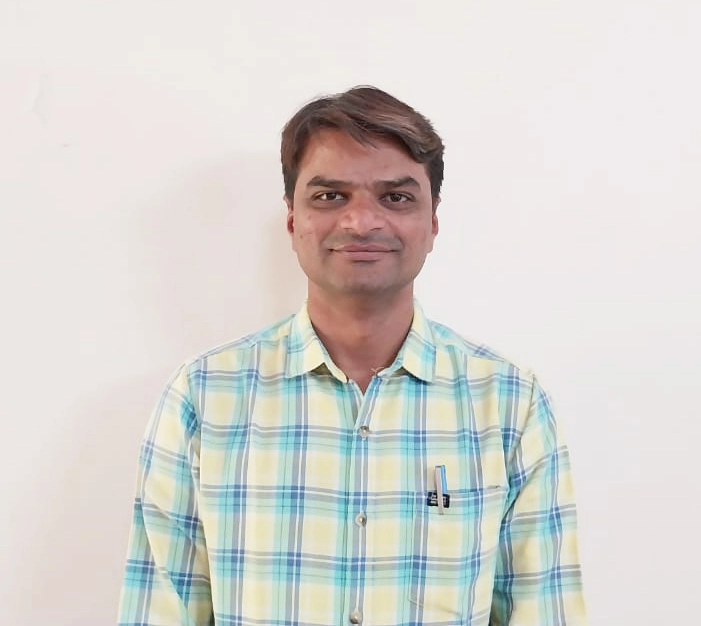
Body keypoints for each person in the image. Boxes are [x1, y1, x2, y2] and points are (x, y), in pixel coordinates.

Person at [117, 86, 587, 625]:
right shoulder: (203, 398)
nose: (362, 222)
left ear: (433, 222)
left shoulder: (508, 403)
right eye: (330, 196)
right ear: (292, 220)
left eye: (396, 198)